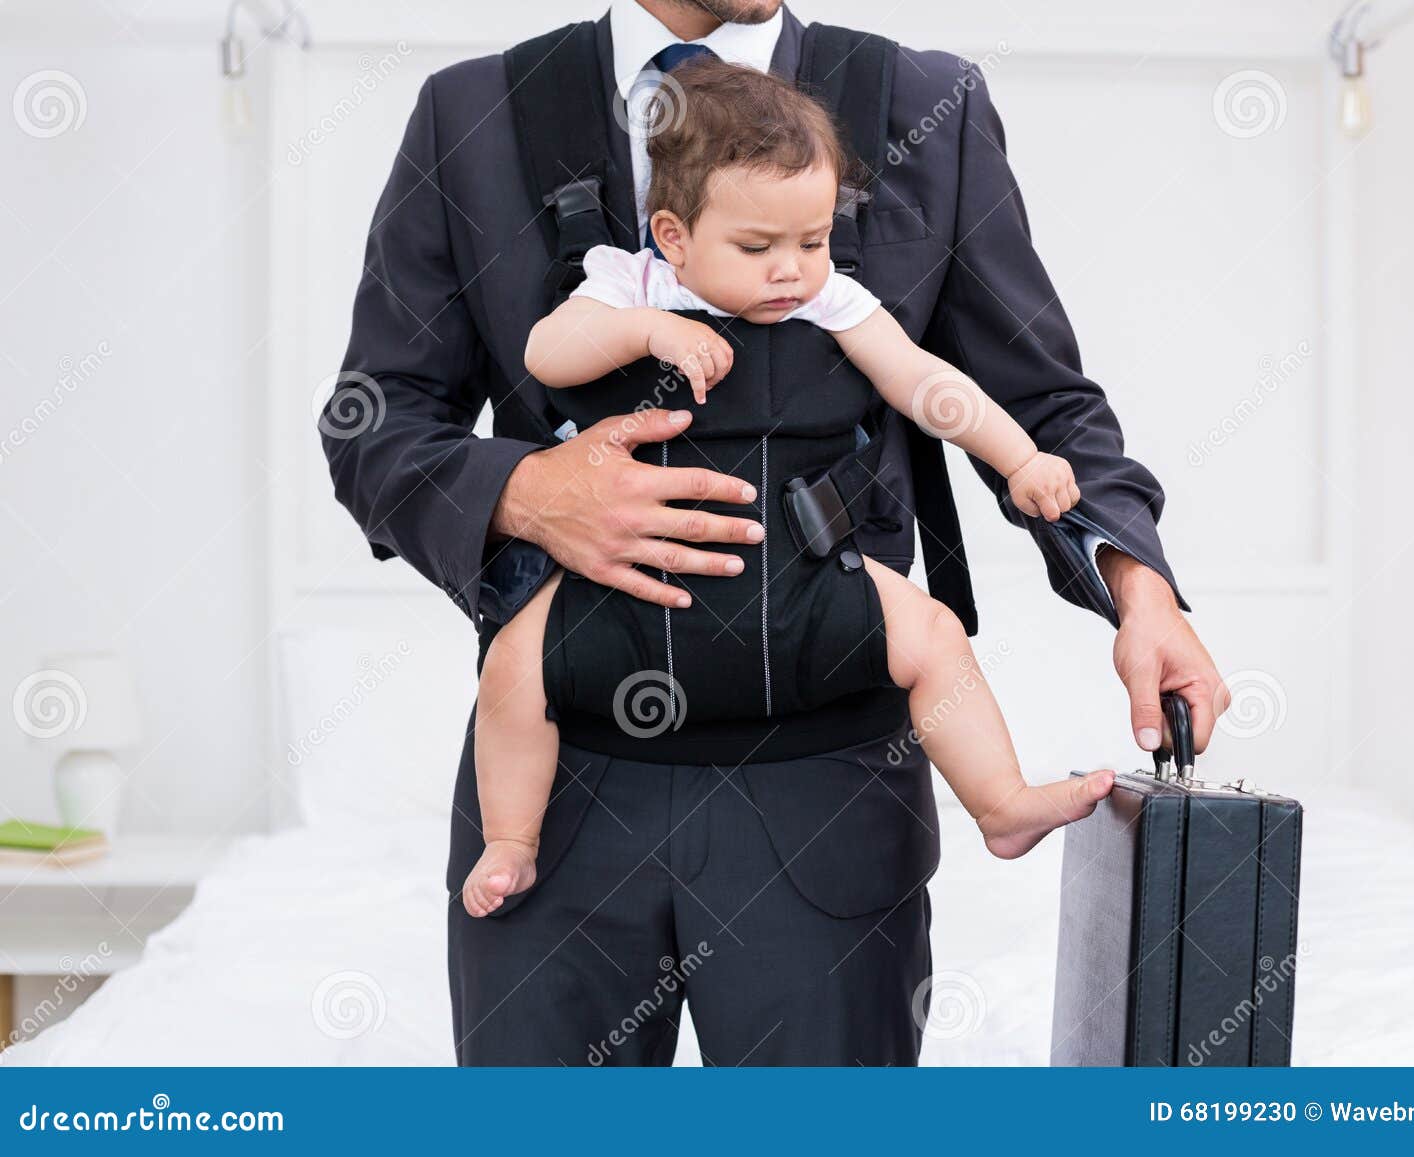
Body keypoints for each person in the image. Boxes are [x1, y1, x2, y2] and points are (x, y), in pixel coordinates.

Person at [326, 0, 1229, 1065]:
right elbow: (372, 421)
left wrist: (1138, 585)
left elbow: (1039, 404)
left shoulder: (924, 101)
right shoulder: (471, 111)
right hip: (560, 778)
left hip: (832, 772)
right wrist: (527, 490)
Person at [464, 58, 1116, 918]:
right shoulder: (629, 284)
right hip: (620, 587)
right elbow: (547, 354)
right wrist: (648, 331)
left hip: (801, 578)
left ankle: (999, 802)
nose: (790, 271)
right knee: (512, 667)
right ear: (674, 237)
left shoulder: (830, 300)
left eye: (812, 242)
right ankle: (511, 837)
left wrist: (1019, 458)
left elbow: (925, 381)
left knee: (934, 635)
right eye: (758, 247)